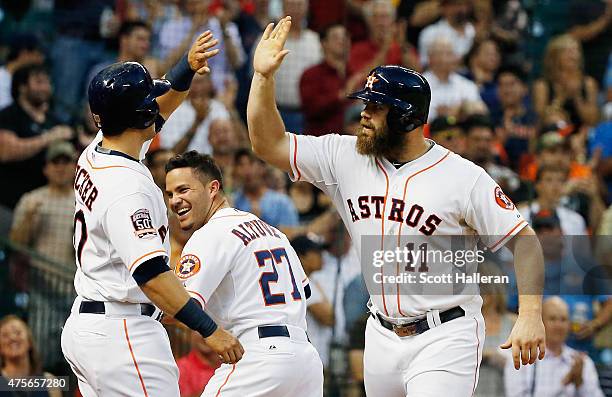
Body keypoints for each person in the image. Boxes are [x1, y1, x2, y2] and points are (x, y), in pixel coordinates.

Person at [247, 16, 546, 396]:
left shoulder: (462, 176)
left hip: (445, 334)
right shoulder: (345, 155)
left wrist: (531, 315)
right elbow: (267, 143)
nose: (364, 115)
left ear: (406, 116)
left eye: (376, 107)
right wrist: (263, 78)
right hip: (380, 333)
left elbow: (526, 242)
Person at [60, 32, 244, 397]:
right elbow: (152, 276)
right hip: (124, 335)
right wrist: (210, 330)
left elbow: (157, 111)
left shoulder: (99, 146)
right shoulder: (128, 188)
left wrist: (186, 68)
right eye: (149, 101)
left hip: (89, 328)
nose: (157, 105)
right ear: (140, 115)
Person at [165, 151, 323, 396]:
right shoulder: (272, 231)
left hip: (258, 356)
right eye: (170, 194)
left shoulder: (212, 232)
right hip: (305, 360)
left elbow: (176, 306)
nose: (175, 200)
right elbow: (305, 290)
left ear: (212, 188)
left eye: (184, 190)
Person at [0, 64, 73, 210]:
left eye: (47, 82)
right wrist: (48, 138)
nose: (45, 87)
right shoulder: (9, 115)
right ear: (22, 87)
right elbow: (6, 151)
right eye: (39, 82)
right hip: (8, 202)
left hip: (44, 205)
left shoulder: (55, 121)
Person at [504, 297, 605, 397]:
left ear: (569, 325)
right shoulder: (522, 358)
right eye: (553, 319)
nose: (558, 325)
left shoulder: (583, 362)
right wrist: (564, 384)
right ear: (540, 323)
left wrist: (579, 382)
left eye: (563, 320)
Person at [0, 315, 62, 397]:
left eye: (18, 333)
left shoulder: (49, 381)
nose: (12, 337)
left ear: (29, 341)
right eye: (5, 335)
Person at [177, 331, 221, 397]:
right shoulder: (180, 368)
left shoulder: (231, 366)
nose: (204, 336)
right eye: (198, 329)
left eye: (212, 329)